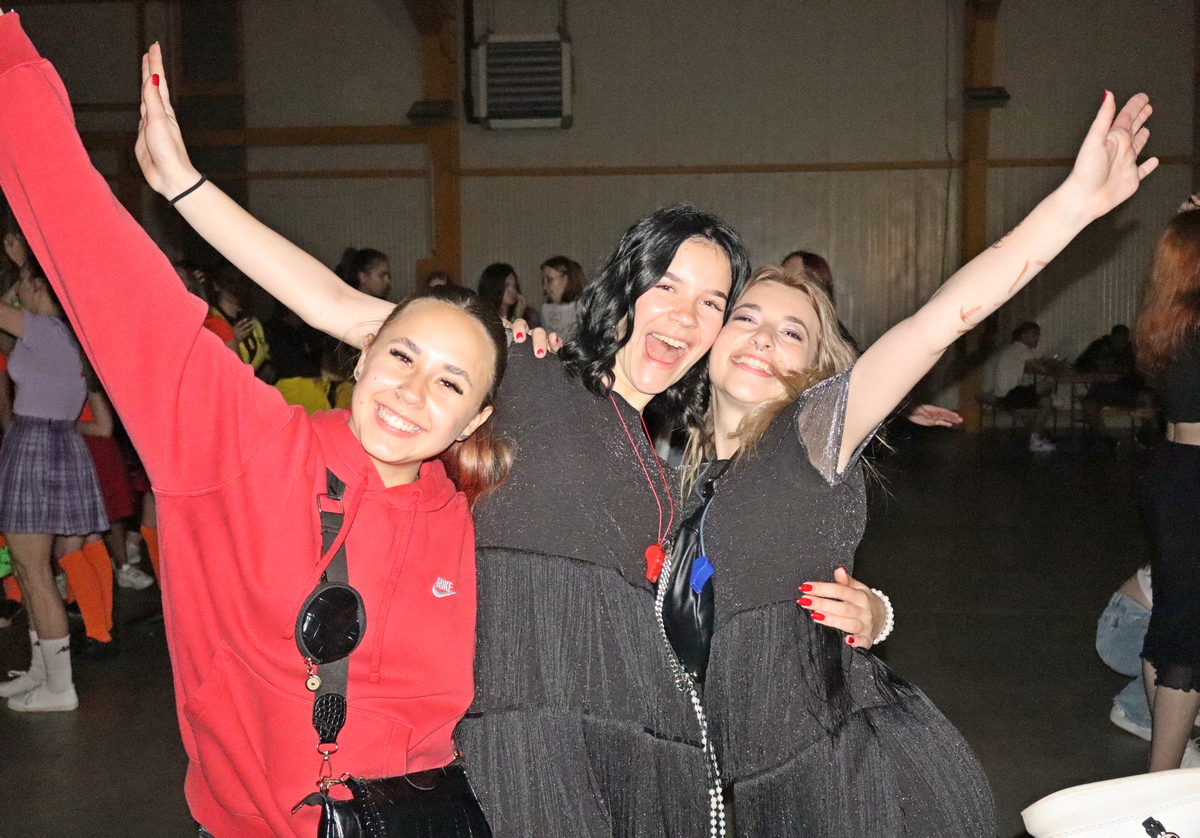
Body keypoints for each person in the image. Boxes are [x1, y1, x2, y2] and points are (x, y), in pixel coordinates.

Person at [138, 85, 754, 829]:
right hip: (511, 746)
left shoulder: (658, 461)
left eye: (712, 302)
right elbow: (336, 306)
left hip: (611, 741)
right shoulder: (527, 370)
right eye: (667, 285)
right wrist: (185, 186)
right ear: (626, 284)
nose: (685, 315)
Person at [0, 17, 510, 836]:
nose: (413, 393)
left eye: (450, 382)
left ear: (475, 417)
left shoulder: (471, 508)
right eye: (401, 356)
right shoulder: (248, 445)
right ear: (361, 349)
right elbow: (97, 257)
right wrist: (13, 69)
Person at [675, 86, 1155, 832]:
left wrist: (1075, 204)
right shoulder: (684, 469)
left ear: (818, 373)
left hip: (846, 770)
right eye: (747, 316)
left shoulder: (809, 430)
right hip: (758, 781)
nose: (765, 336)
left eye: (793, 332)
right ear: (710, 338)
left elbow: (938, 323)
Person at [0, 216, 109, 712]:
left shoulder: (45, 329)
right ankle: (43, 671)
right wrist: (24, 271)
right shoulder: (60, 333)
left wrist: (25, 262)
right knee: (30, 570)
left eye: (26, 285)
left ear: (42, 288)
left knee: (34, 570)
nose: (19, 293)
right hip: (54, 443)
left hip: (36, 444)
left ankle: (60, 687)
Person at [1131, 204, 1200, 772]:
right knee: (1188, 635)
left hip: (1170, 469)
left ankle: (1166, 769)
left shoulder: (1165, 321)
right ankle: (1161, 781)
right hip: (1196, 477)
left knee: (1173, 619)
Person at [781, 249, 963, 429]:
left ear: (820, 289)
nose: (787, 284)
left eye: (799, 280)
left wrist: (903, 407)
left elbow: (858, 377)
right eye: (783, 275)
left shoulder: (833, 335)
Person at [1096, 566, 1200, 764]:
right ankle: (1137, 710)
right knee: (1189, 644)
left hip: (1167, 626)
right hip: (1126, 628)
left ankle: (1186, 706)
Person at [984, 321, 1064, 452]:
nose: (1037, 339)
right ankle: (1036, 439)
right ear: (1023, 335)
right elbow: (1042, 369)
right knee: (1048, 386)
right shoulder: (1022, 349)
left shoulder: (1013, 349)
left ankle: (1037, 438)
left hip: (1005, 393)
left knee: (1045, 400)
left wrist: (1043, 362)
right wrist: (1057, 367)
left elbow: (1028, 367)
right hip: (1009, 394)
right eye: (1035, 335)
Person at [477, 262, 541, 328]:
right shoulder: (482, 317)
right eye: (506, 286)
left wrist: (519, 315)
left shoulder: (529, 316)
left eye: (514, 285)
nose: (512, 290)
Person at [538, 255, 585, 340]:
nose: (545, 287)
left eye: (550, 280)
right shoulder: (545, 310)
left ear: (566, 279)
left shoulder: (582, 309)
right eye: (543, 281)